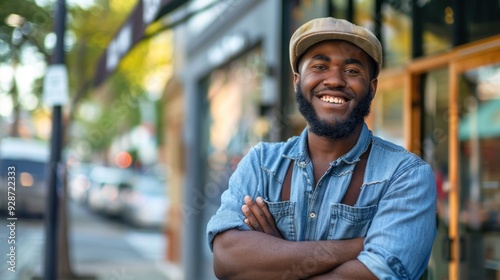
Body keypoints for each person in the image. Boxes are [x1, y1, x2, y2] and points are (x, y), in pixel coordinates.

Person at [206, 17, 437, 279]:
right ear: (297, 81)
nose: (335, 80)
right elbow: (226, 260)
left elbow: (378, 273)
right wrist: (355, 247)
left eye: (352, 70)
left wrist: (273, 257)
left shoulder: (406, 175)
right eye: (319, 66)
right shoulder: (261, 163)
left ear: (371, 88)